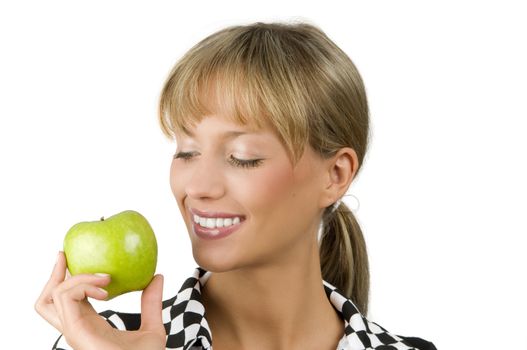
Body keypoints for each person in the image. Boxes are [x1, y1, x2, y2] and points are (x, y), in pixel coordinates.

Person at [35, 20, 437, 350]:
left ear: (335, 176)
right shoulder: (104, 342)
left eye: (242, 156)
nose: (198, 186)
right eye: (187, 151)